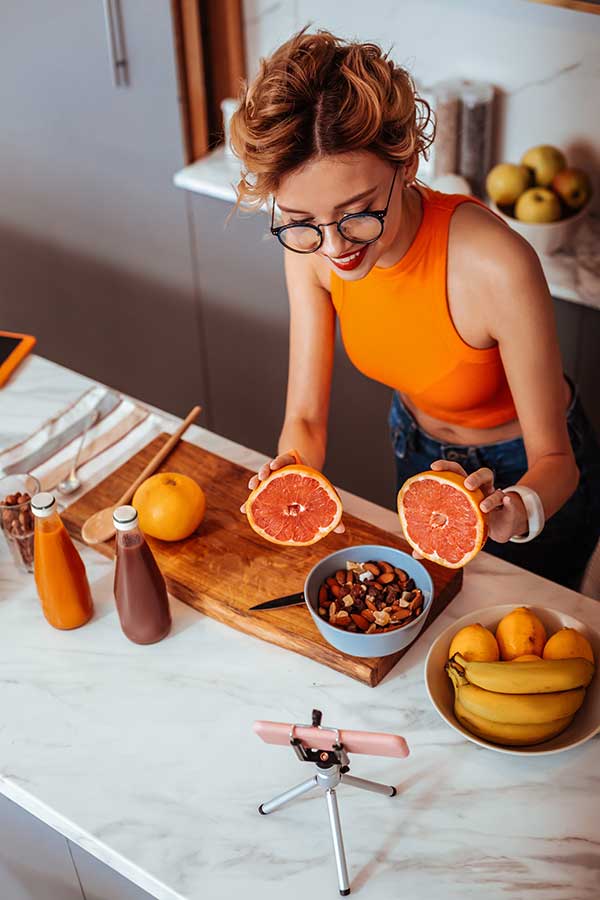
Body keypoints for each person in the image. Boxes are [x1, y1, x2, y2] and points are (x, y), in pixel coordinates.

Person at [231, 28, 600, 589]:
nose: (334, 248)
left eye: (358, 212)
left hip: (526, 467)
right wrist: (293, 471)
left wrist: (520, 503)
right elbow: (304, 420)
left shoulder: (496, 265)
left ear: (405, 163)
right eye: (304, 222)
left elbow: (558, 461)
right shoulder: (310, 250)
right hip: (416, 447)